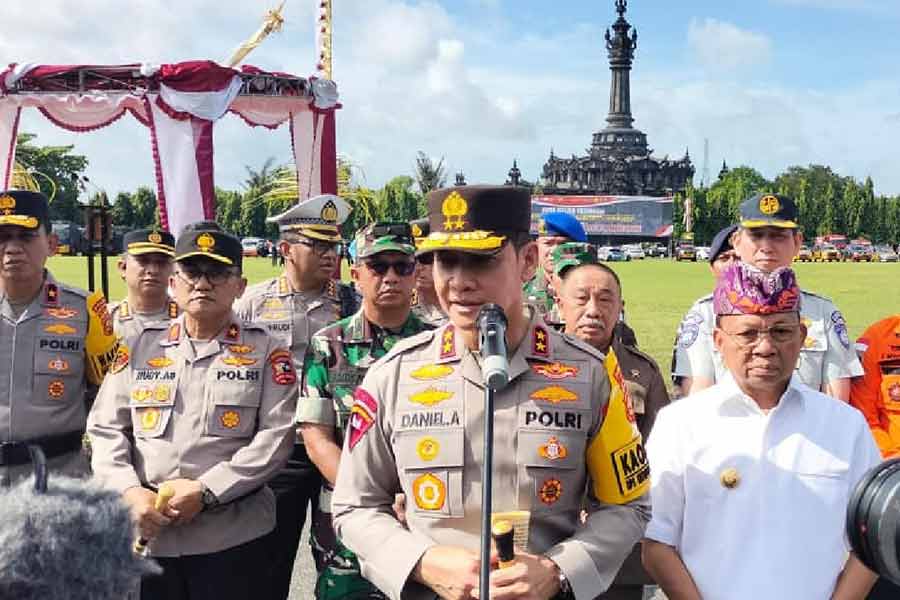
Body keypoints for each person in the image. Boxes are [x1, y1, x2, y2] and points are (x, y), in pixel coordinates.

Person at [332, 185, 650, 600]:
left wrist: (558, 569)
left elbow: (629, 506)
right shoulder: (394, 375)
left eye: (481, 260)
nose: (460, 282)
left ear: (529, 261)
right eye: (445, 261)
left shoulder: (590, 375)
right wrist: (421, 562)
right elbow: (355, 506)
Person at [643, 262, 880, 600]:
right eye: (748, 333)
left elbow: (869, 541)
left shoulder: (844, 425)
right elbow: (656, 543)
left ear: (801, 336)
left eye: (781, 332)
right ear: (718, 341)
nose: (766, 347)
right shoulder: (680, 424)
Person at [87, 222, 296, 600]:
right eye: (192, 272)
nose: (203, 282)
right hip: (148, 535)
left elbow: (276, 437)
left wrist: (208, 491)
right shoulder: (137, 347)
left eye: (217, 272)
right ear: (174, 282)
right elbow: (105, 430)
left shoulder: (268, 351)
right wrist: (129, 492)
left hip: (232, 537)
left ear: (240, 286)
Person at [234, 193, 359, 600]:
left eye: (334, 246)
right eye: (318, 245)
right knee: (269, 557)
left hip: (337, 449)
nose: (330, 255)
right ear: (286, 249)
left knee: (344, 557)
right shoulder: (254, 302)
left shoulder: (351, 301)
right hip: (281, 452)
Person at [300, 222, 431, 599]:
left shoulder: (438, 345)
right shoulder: (329, 345)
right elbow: (317, 438)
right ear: (356, 274)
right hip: (349, 525)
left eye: (402, 266)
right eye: (378, 266)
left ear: (416, 274)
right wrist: (372, 498)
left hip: (421, 519)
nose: (390, 276)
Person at [552, 241, 669, 600]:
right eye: (581, 298)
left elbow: (659, 454)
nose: (593, 310)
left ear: (620, 307)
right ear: (559, 304)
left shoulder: (641, 371)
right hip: (553, 541)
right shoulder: (536, 369)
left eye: (605, 300)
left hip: (619, 547)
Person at [672, 194, 862, 400]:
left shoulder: (823, 313)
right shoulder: (706, 314)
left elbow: (835, 401)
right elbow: (698, 398)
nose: (766, 246)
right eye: (756, 235)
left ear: (797, 243)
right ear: (736, 242)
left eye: (778, 236)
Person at [0, 189, 118, 484]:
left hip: (60, 480)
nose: (12, 248)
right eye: (3, 237)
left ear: (51, 243)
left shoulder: (86, 309)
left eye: (25, 236)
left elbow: (112, 396)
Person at [671, 224, 738, 396]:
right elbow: (694, 390)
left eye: (739, 257)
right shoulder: (703, 314)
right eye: (724, 258)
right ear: (712, 267)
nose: (733, 265)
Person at [108, 229, 178, 343]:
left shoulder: (190, 319)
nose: (153, 270)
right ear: (123, 268)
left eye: (161, 263)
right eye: (143, 261)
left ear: (174, 270)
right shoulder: (105, 319)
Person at [523, 211, 587, 323]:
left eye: (562, 244)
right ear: (537, 247)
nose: (554, 251)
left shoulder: (595, 289)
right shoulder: (522, 291)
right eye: (548, 244)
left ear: (578, 248)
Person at [410, 217, 448, 328]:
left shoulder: (461, 307)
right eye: (412, 259)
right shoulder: (400, 307)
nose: (418, 267)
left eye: (426, 259)